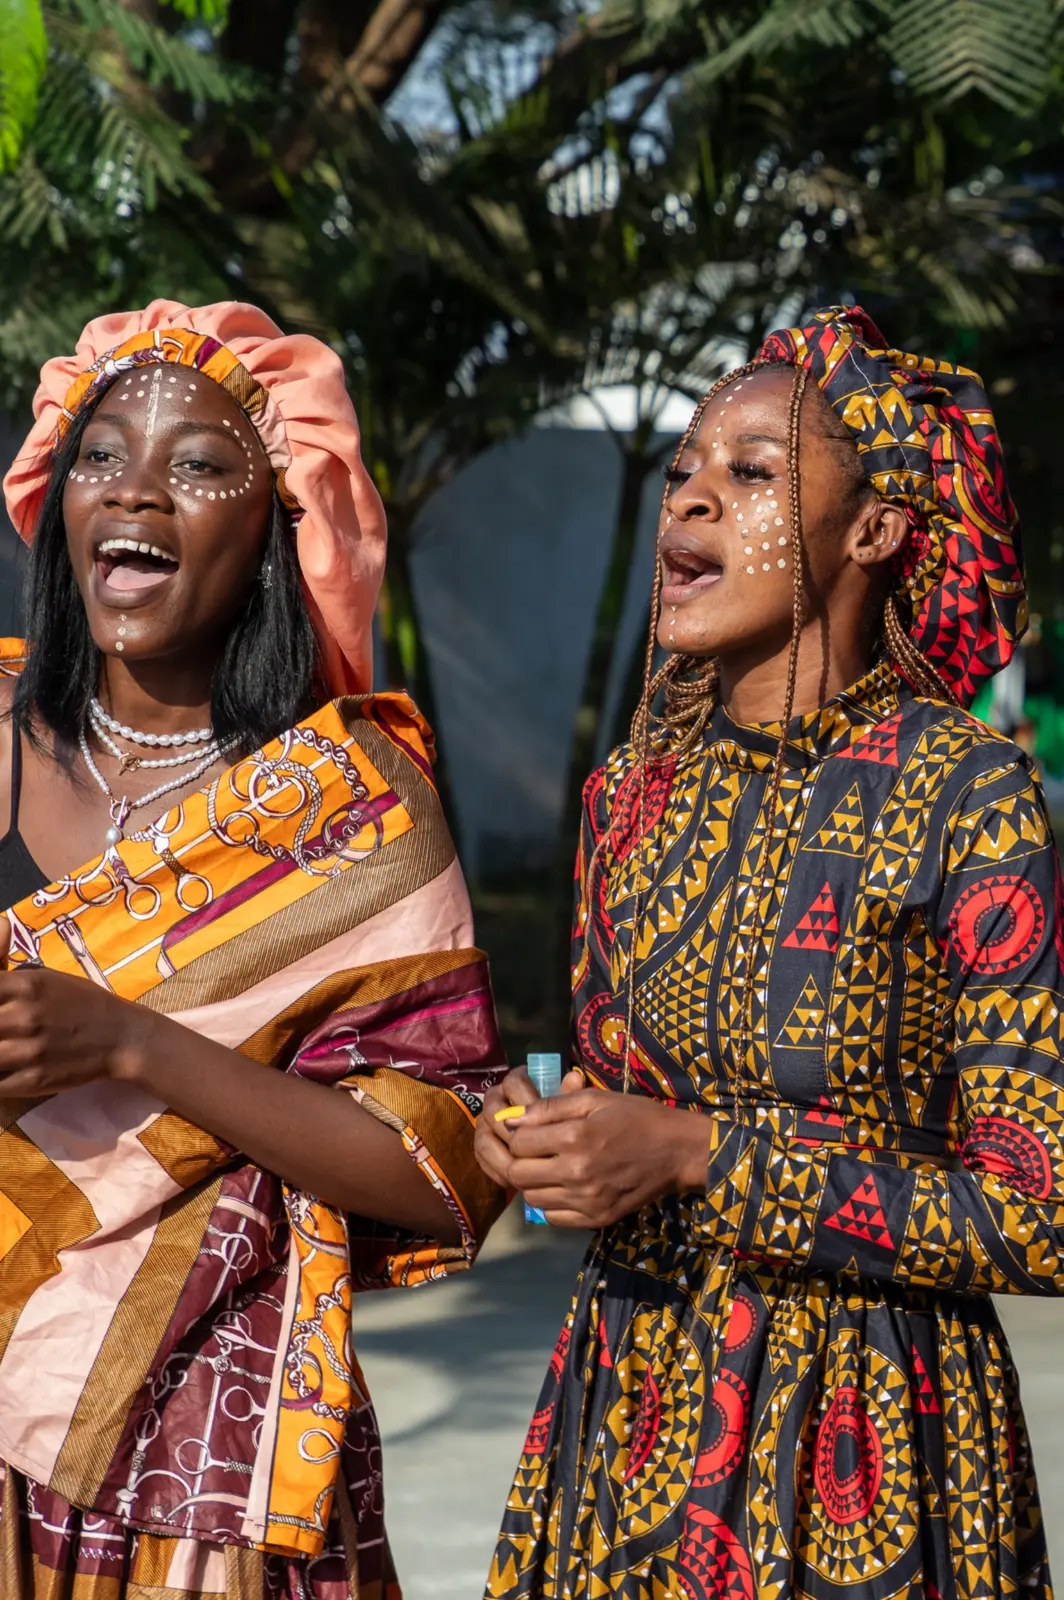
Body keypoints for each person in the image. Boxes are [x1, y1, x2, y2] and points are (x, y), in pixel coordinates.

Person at [476, 305, 1058, 1599]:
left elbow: (1038, 1212)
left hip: (871, 1439)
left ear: (875, 532)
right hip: (632, 1418)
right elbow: (611, 1103)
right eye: (684, 469)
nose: (690, 499)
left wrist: (700, 1156)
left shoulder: (967, 792)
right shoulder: (629, 795)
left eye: (750, 473)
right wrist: (540, 1140)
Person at [0, 299, 506, 1599]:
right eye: (100, 454)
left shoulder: (346, 811)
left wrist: (130, 1044)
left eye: (198, 465)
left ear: (280, 522)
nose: (137, 491)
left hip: (198, 1469)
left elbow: (438, 1169)